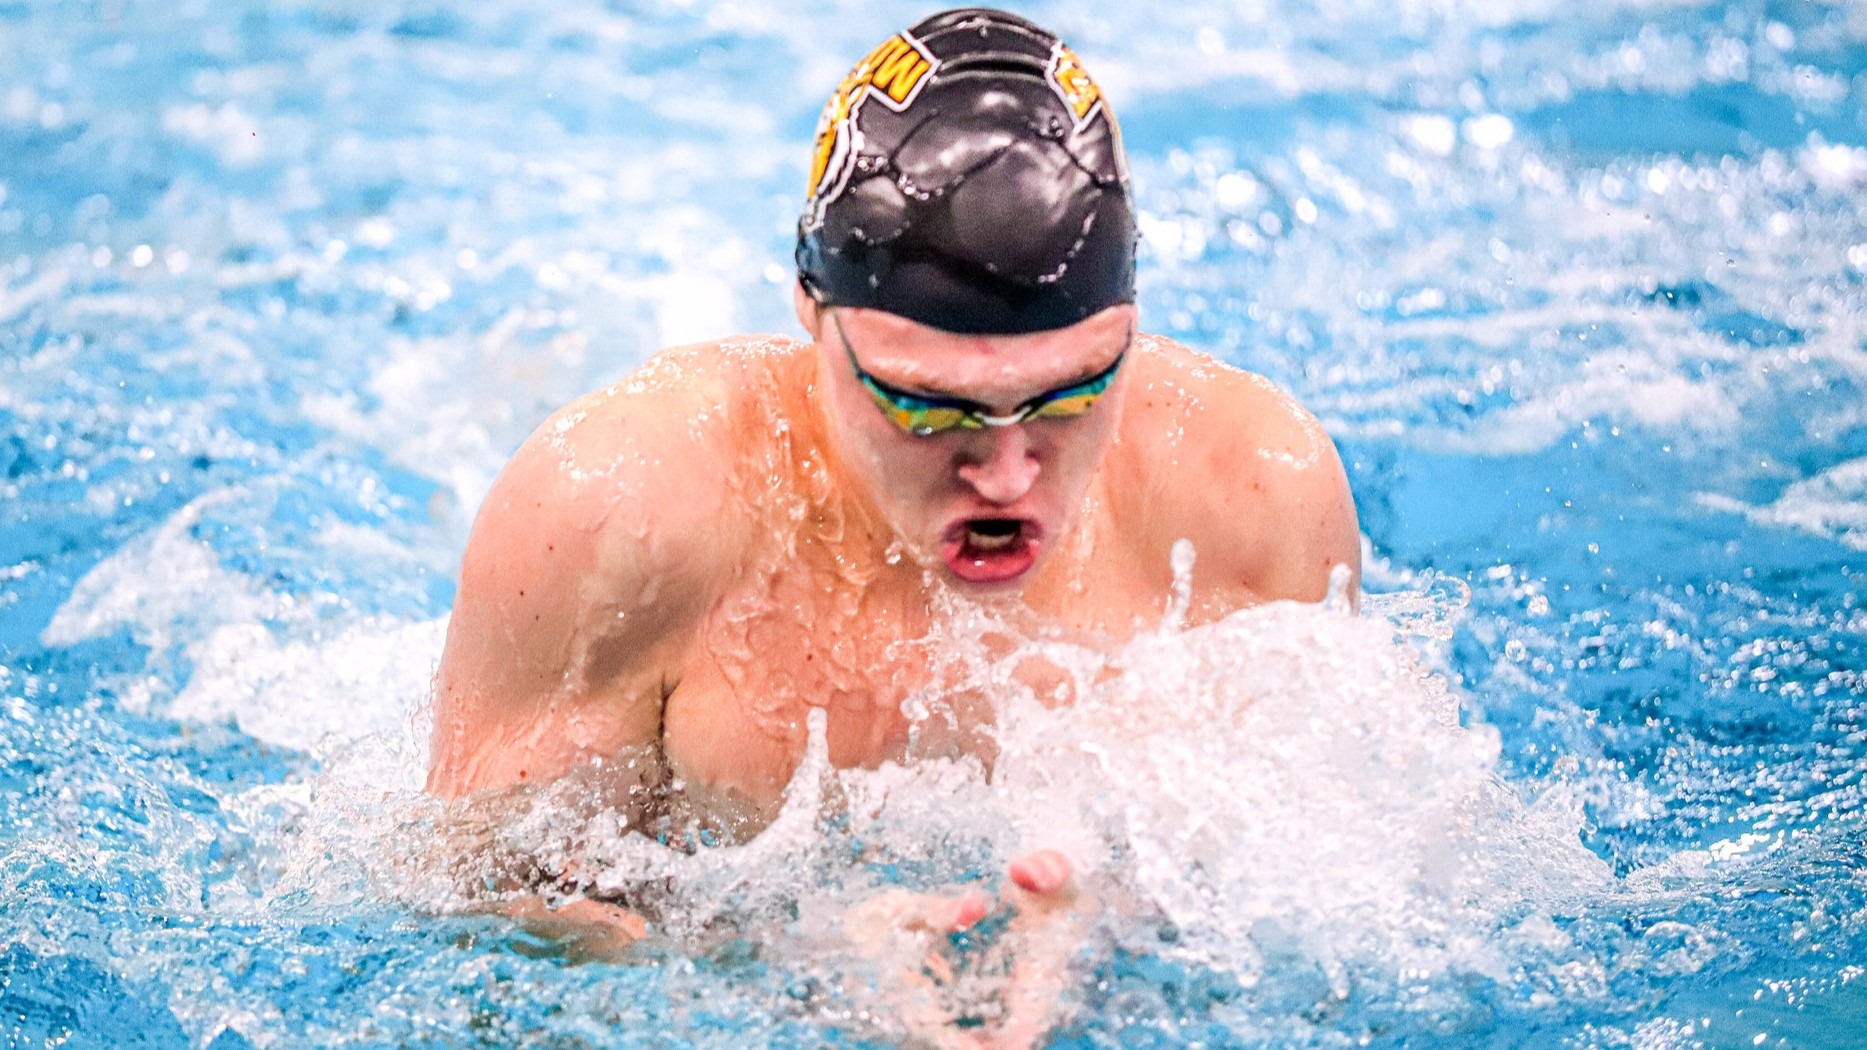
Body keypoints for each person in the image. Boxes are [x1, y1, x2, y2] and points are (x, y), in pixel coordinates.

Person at [425, 6, 1359, 950]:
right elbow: (466, 930)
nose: (1004, 473)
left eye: (1073, 391)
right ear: (810, 311)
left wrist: (1101, 943)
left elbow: (1338, 913)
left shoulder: (1253, 494)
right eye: (926, 405)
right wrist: (797, 973)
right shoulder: (614, 516)